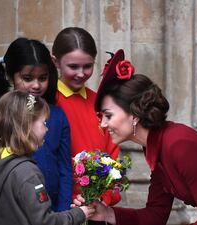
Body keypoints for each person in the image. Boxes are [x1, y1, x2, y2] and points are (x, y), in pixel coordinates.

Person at [86, 49, 197, 225]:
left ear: (134, 115)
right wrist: (108, 214)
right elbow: (155, 216)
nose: (103, 124)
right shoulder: (156, 147)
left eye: (108, 116)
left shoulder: (179, 144)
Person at [0, 90, 95, 225]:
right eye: (44, 123)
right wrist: (78, 214)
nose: (47, 129)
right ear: (27, 126)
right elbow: (45, 221)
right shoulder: (27, 173)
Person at [0, 37, 72, 211]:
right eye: (27, 78)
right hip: (14, 211)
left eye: (43, 78)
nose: (36, 85)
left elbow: (65, 169)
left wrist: (63, 212)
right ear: (10, 76)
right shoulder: (3, 115)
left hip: (52, 211)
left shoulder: (58, 116)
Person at [51, 27, 120, 203]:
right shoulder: (48, 102)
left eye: (88, 66)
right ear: (56, 62)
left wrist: (103, 198)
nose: (81, 73)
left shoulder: (100, 102)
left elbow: (112, 154)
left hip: (97, 204)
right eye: (73, 66)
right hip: (62, 206)